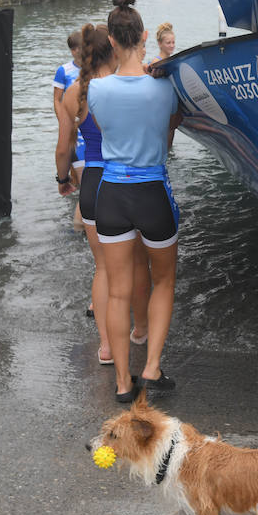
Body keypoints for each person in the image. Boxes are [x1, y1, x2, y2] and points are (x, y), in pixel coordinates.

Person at [87, 0, 184, 402]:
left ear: (110, 40)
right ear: (144, 35)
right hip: (151, 192)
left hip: (111, 192)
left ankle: (123, 384)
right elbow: (176, 120)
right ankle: (152, 367)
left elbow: (104, 125)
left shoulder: (96, 89)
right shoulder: (164, 89)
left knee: (118, 292)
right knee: (162, 281)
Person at [56, 24, 152, 367]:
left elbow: (64, 147)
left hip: (94, 179)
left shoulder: (75, 93)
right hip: (128, 177)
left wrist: (62, 178)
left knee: (103, 270)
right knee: (137, 263)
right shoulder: (127, 87)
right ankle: (140, 330)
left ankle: (107, 347)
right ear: (111, 50)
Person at [52, 30, 85, 187]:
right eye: (82, 47)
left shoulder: (92, 70)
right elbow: (57, 99)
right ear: (74, 50)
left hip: (86, 122)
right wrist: (63, 119)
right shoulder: (63, 71)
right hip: (71, 124)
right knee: (73, 160)